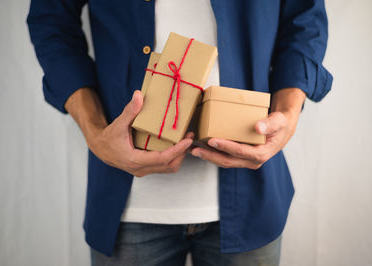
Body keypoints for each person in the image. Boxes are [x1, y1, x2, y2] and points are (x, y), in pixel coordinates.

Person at [27, 0, 332, 265]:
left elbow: (305, 18)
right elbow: (52, 21)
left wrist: (288, 115)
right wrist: (95, 133)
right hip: (127, 203)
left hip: (251, 197)